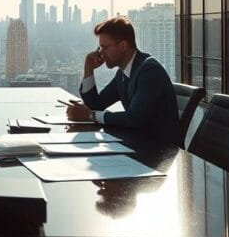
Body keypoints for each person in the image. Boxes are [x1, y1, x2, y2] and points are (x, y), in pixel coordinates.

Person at [66, 16, 180, 145]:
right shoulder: (123, 73)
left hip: (160, 151)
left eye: (105, 47)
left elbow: (134, 118)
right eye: (100, 47)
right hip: (138, 143)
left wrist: (90, 115)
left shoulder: (149, 71)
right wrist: (88, 69)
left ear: (123, 46)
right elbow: (95, 105)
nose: (101, 53)